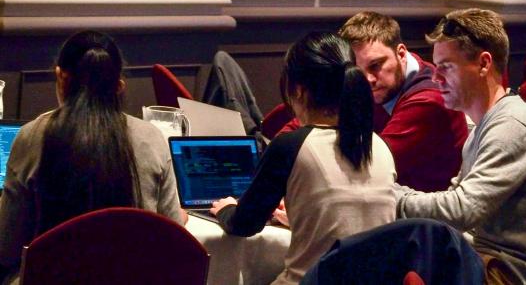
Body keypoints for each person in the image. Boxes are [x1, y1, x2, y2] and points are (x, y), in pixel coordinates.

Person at [394, 8, 526, 284]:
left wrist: (387, 197)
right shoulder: (485, 126)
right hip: (484, 259)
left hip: (511, 274)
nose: (436, 79)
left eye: (446, 67)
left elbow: (460, 211)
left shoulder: (513, 125)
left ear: (484, 63)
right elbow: (458, 207)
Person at [210, 32, 397, 284]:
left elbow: (245, 224)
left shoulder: (291, 146)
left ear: (298, 90)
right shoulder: (379, 145)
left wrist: (226, 210)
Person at [0, 31, 183, 284]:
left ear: (61, 78)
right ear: (119, 86)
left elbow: (6, 247)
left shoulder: (31, 137)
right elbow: (171, 242)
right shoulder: (151, 139)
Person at [338, 11, 468, 192]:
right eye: (358, 71)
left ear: (401, 53)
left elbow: (369, 167)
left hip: (423, 215)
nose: (368, 79)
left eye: (376, 65)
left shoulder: (429, 101)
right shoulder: (380, 83)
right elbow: (315, 116)